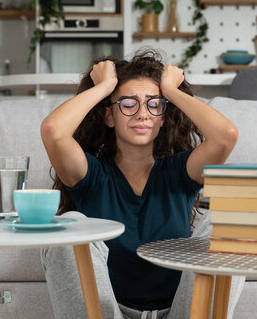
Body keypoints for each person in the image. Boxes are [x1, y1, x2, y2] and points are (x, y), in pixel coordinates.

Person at [40, 50, 244, 319]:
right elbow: (53, 131)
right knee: (68, 224)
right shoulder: (92, 175)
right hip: (110, 314)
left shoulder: (179, 172)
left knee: (227, 223)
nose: (142, 114)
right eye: (128, 104)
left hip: (182, 313)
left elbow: (225, 136)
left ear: (162, 116)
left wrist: (170, 90)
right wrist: (104, 87)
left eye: (153, 104)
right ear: (109, 116)